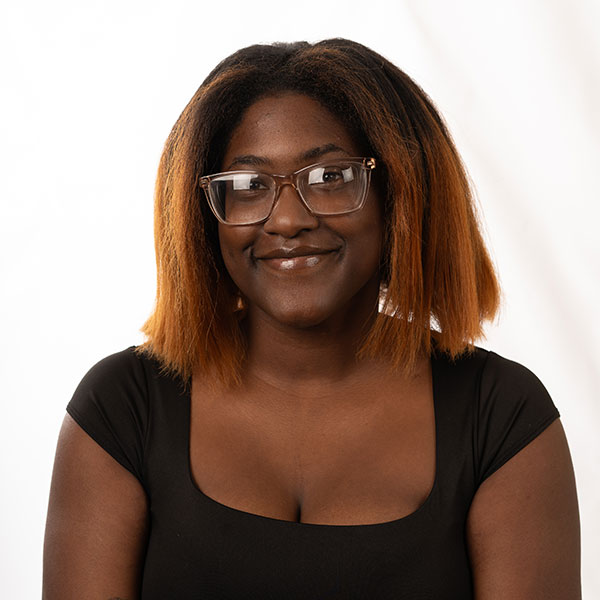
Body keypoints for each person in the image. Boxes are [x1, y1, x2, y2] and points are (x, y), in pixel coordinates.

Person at [43, 39, 581, 599]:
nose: (287, 221)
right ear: (206, 216)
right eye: (248, 187)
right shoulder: (123, 409)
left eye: (329, 178)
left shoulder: (501, 416)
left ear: (399, 191)